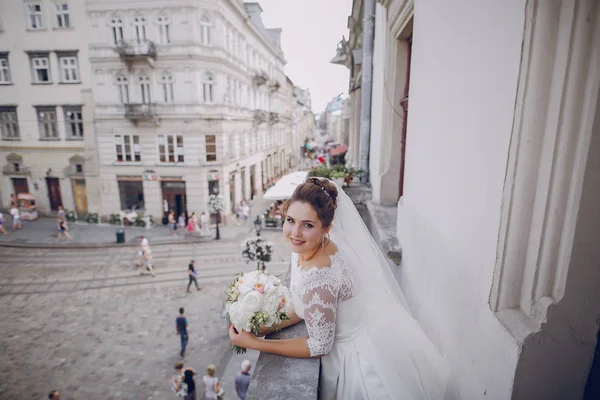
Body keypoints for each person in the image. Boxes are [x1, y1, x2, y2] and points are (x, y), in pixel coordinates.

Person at [228, 177, 451, 399]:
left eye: (307, 225)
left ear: (326, 228)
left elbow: (319, 345)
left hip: (360, 361)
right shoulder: (310, 249)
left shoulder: (319, 278)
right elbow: (302, 306)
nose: (295, 232)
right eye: (290, 220)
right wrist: (266, 327)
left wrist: (256, 344)